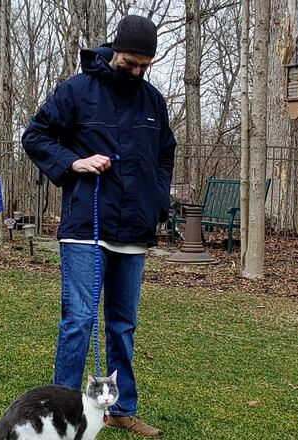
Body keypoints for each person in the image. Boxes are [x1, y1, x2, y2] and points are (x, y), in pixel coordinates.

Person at [21, 15, 175, 438]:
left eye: (146, 65)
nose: (138, 72)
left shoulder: (154, 102)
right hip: (85, 226)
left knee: (122, 325)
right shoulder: (77, 90)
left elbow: (165, 155)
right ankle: (61, 412)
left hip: (135, 231)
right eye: (130, 63)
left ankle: (122, 409)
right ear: (113, 52)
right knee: (79, 322)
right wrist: (74, 162)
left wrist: (157, 201)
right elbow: (35, 136)